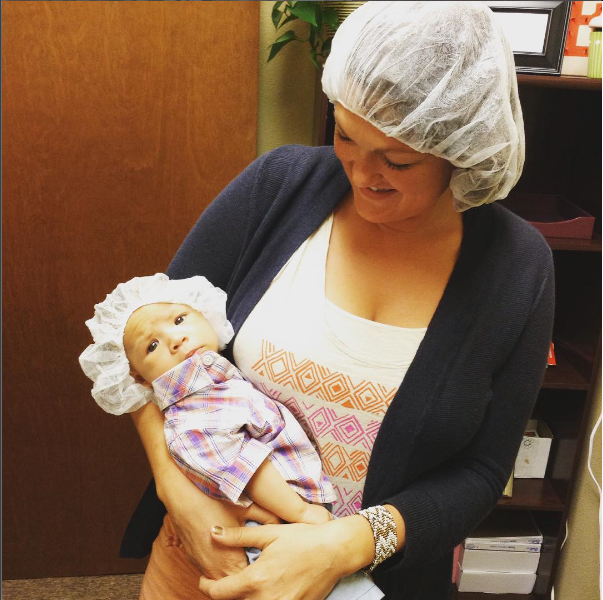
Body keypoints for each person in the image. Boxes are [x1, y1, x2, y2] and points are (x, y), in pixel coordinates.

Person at [117, 2, 555, 599]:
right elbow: (135, 345)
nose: (360, 171)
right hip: (199, 562)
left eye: (397, 159)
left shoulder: (516, 269)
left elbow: (482, 470)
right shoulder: (280, 187)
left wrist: (347, 542)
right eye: (346, 135)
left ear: (461, 148)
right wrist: (177, 494)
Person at [79, 273, 384, 600]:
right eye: (152, 345)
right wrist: (301, 512)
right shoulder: (194, 414)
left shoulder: (215, 384)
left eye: (180, 319)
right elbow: (247, 468)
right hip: (266, 526)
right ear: (138, 378)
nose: (176, 339)